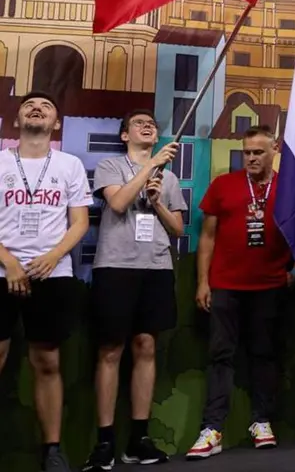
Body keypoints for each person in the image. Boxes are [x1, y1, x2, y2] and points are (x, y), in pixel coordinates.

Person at [83, 110, 186, 470]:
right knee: (111, 349)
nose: (148, 127)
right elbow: (118, 203)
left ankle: (138, 438)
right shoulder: (110, 166)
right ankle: (105, 441)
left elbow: (177, 229)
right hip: (115, 267)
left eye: (152, 125)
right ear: (125, 135)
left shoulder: (169, 178)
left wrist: (157, 200)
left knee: (146, 345)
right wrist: (150, 167)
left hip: (156, 268)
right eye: (139, 123)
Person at [187, 125, 291, 460]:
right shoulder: (224, 185)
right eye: (246, 152)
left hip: (270, 285)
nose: (250, 158)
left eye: (258, 152)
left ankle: (261, 421)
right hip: (226, 286)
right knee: (221, 356)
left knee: (264, 355)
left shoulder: (289, 187)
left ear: (273, 150)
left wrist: (294, 272)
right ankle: (212, 429)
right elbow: (207, 237)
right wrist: (203, 281)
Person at [0, 91, 91, 472]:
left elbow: (80, 222)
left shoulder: (69, 164)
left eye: (46, 106)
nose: (37, 108)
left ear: (55, 123)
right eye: (29, 105)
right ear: (17, 120)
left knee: (48, 362)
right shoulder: (0, 162)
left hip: (53, 275)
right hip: (2, 271)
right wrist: (9, 262)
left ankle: (51, 450)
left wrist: (53, 257)